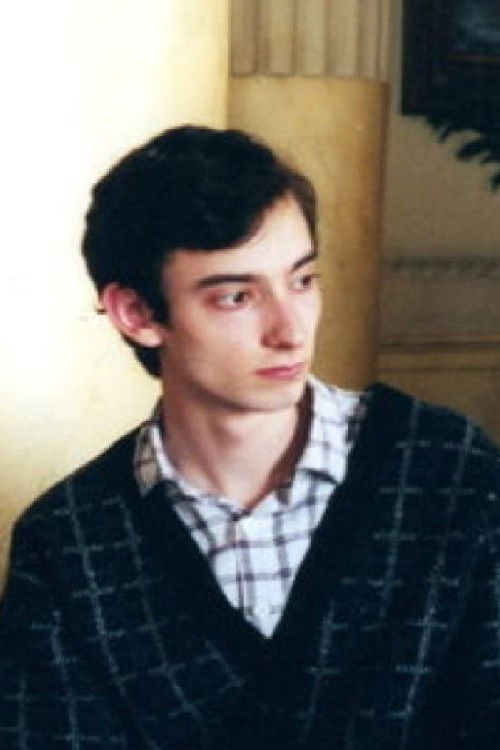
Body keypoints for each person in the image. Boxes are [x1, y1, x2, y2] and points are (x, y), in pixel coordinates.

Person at [0, 125, 499, 750]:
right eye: (237, 297)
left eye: (303, 281)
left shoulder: (450, 473)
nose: (290, 330)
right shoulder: (68, 544)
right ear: (137, 314)